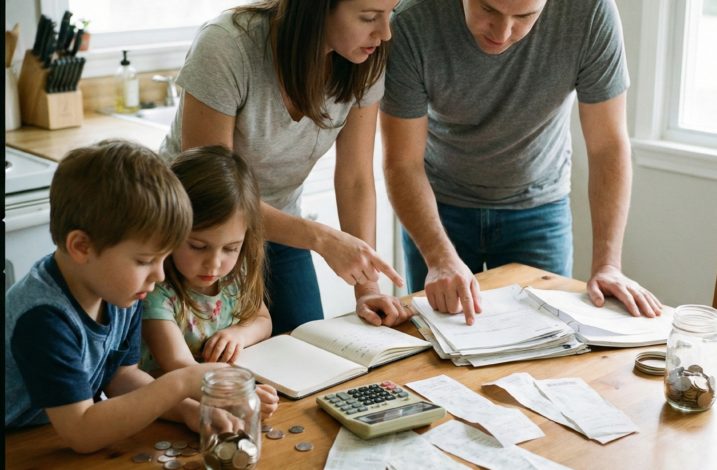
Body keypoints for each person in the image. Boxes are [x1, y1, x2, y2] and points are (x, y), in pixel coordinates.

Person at [380, 0, 663, 325]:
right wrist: (439, 257)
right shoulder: (411, 22)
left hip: (539, 209)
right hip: (437, 208)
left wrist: (608, 265)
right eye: (488, 9)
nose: (502, 33)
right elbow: (402, 163)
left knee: (547, 340)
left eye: (525, 16)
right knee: (439, 344)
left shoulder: (590, 11)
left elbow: (607, 147)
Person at [158, 0, 411, 333]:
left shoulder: (365, 57)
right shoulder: (227, 45)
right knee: (207, 365)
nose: (385, 33)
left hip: (279, 226)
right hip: (196, 233)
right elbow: (214, 190)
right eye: (368, 17)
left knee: (306, 350)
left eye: (389, 15)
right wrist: (320, 238)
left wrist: (367, 288)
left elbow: (356, 179)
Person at [4, 140, 229, 453]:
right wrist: (180, 382)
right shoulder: (42, 317)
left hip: (48, 431)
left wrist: (191, 411)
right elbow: (81, 432)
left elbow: (122, 379)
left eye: (163, 259)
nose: (160, 276)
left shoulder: (120, 290)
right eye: (144, 260)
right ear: (81, 247)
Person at [139, 146, 278, 421]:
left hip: (213, 397)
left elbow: (263, 319)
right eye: (198, 246)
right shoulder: (155, 291)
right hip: (169, 409)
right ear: (170, 229)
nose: (214, 264)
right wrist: (236, 392)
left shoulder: (235, 274)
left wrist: (240, 333)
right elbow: (180, 367)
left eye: (230, 248)